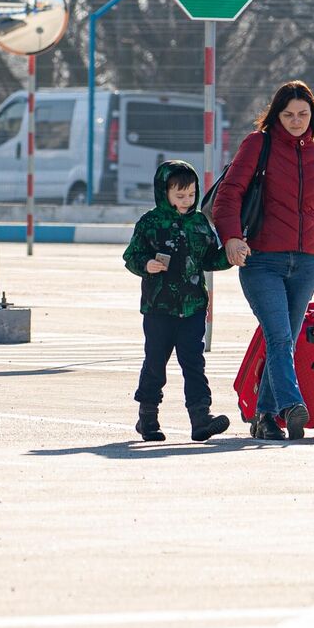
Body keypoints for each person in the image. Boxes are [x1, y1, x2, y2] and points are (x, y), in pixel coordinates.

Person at [213, 80, 314, 441]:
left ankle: (263, 417)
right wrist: (231, 237)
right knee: (279, 337)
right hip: (261, 261)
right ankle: (291, 407)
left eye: (303, 114)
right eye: (288, 114)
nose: (296, 121)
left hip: (306, 264)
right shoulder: (257, 145)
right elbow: (229, 193)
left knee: (286, 341)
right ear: (276, 115)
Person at [123, 160, 233, 443]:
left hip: (193, 308)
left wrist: (230, 257)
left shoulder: (199, 224)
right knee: (155, 363)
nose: (187, 201)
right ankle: (148, 417)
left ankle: (201, 418)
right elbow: (131, 256)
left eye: (191, 195)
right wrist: (146, 264)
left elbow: (209, 258)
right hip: (159, 309)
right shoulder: (150, 223)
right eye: (179, 196)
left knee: (194, 363)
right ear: (164, 193)